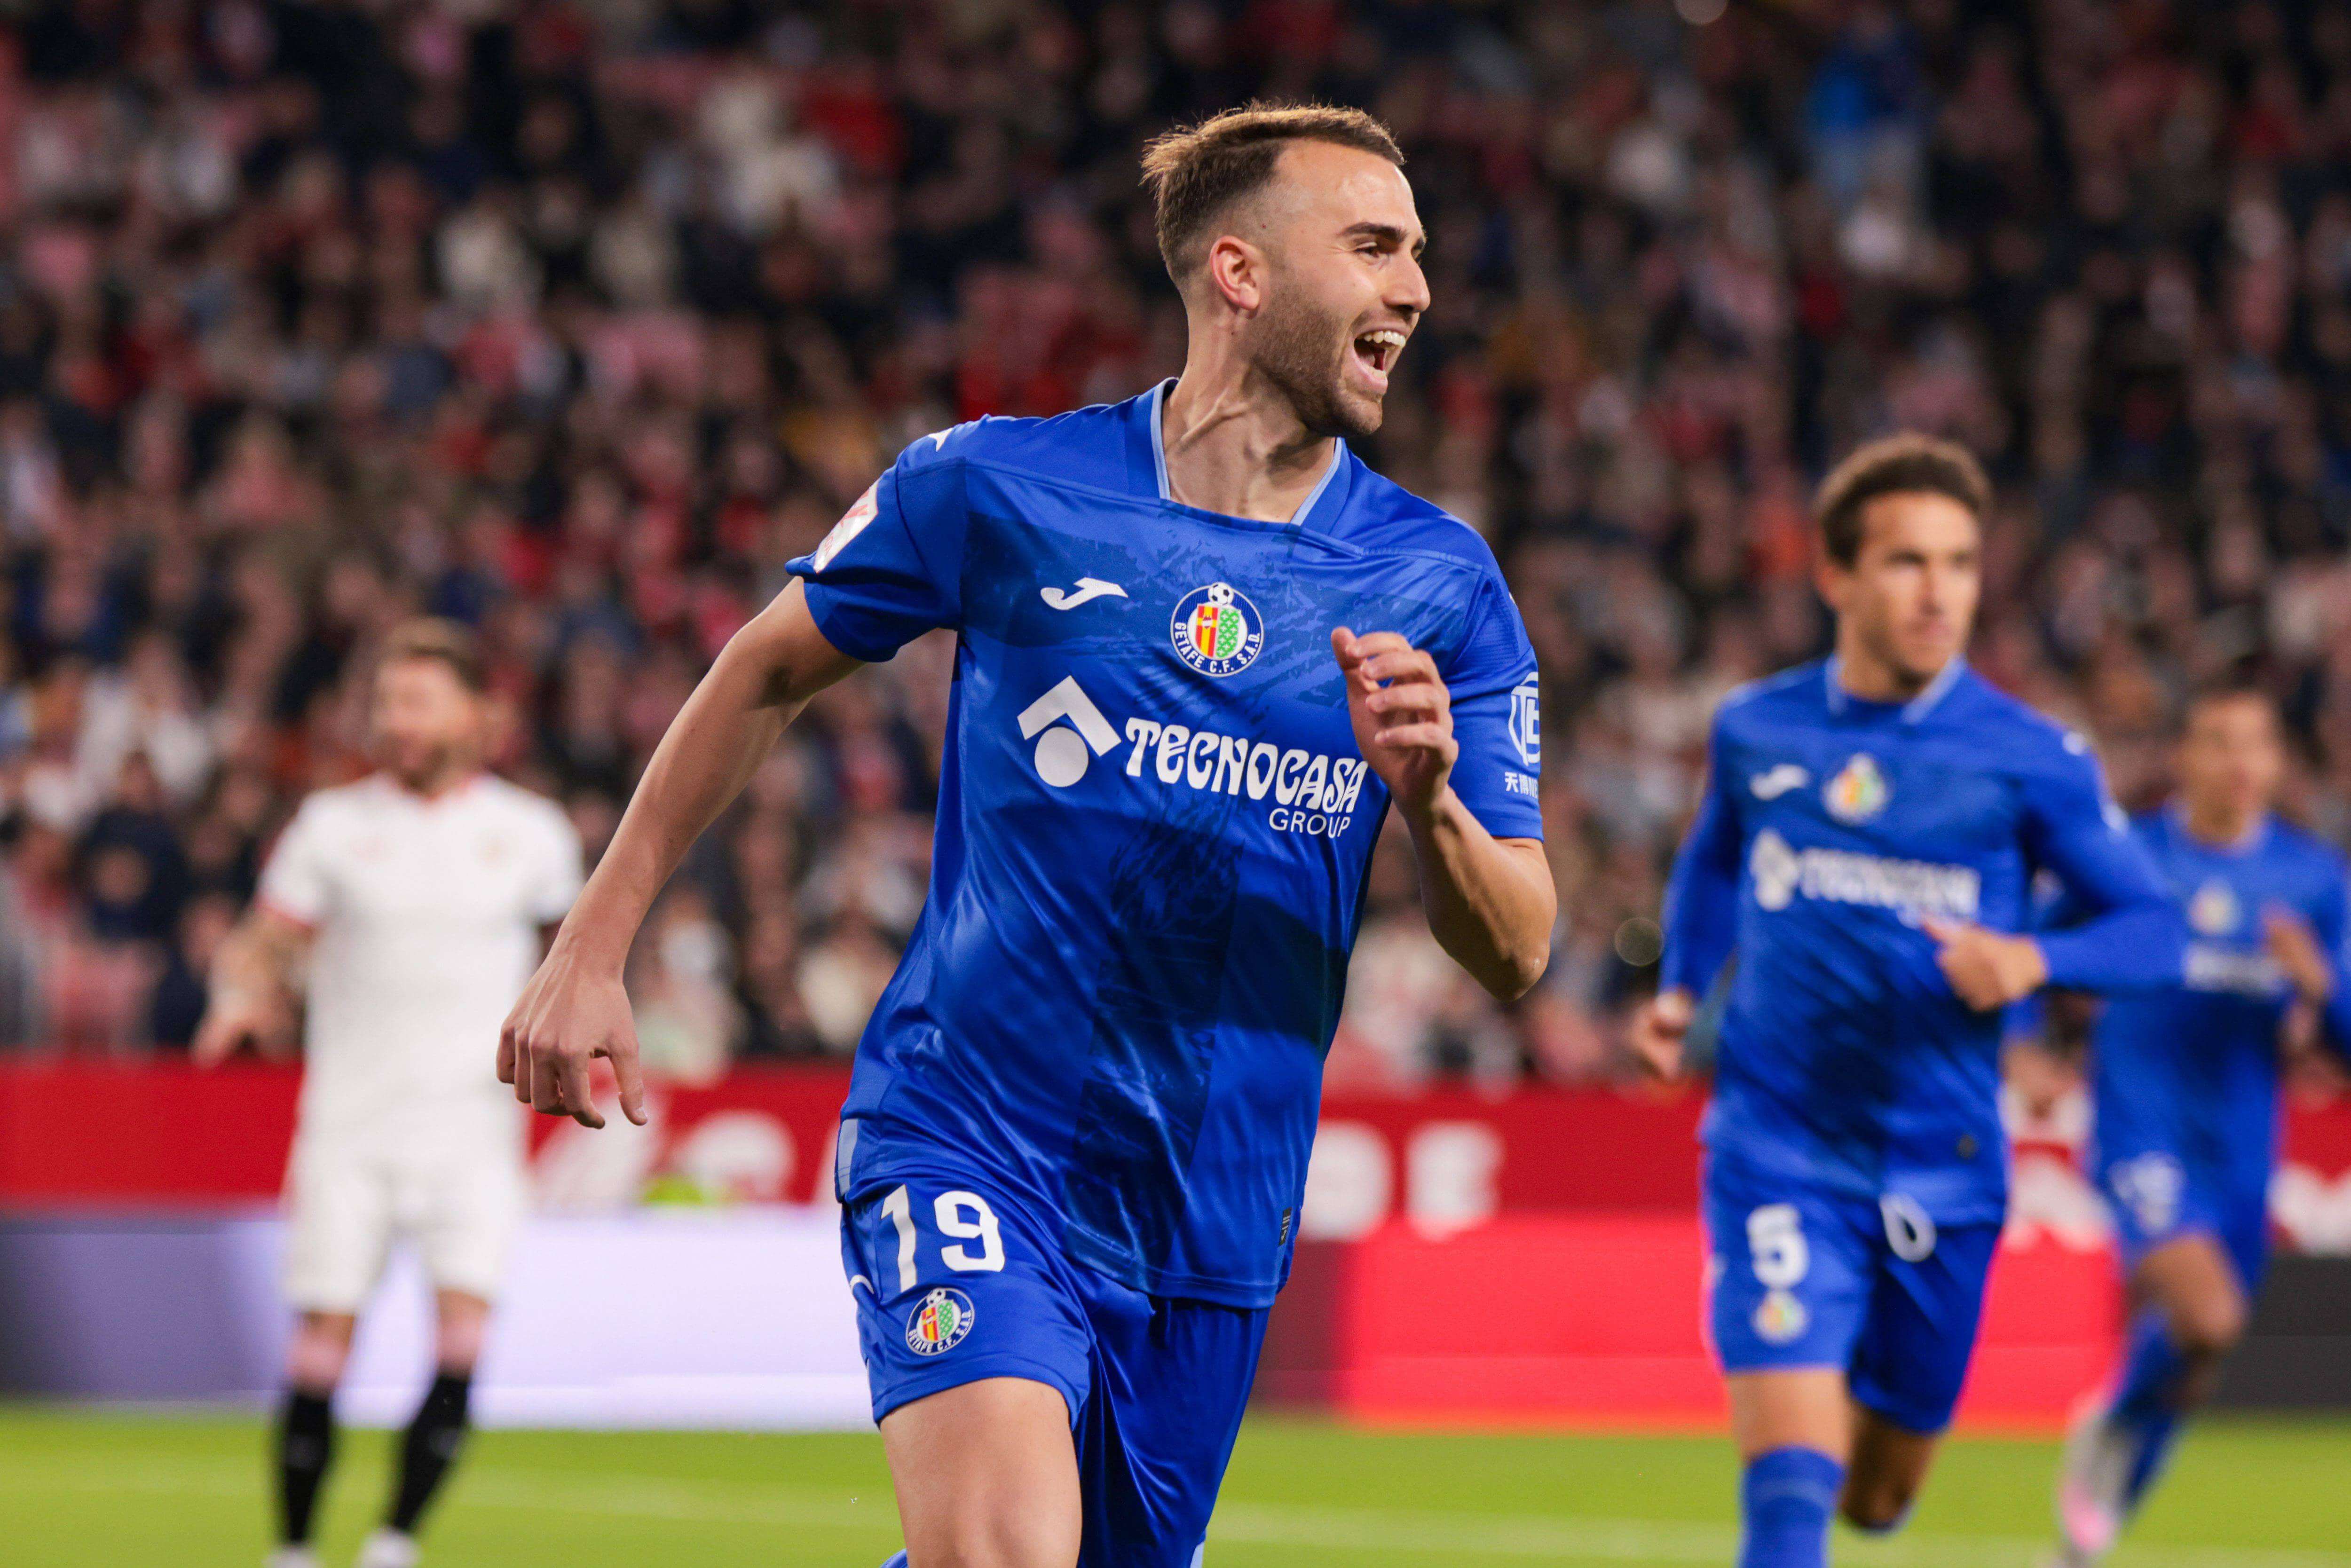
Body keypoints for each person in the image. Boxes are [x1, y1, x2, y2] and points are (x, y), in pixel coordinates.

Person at [497, 101, 1555, 1568]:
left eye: (1420, 254)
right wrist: (593, 941)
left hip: (1214, 1216)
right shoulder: (1001, 486)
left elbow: (1517, 945)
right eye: (1375, 247)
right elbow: (765, 666)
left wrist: (1431, 798)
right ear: (1239, 273)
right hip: (973, 1135)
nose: (1418, 290)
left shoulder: (1442, 583)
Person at [1628, 435, 2183, 1568]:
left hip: (1946, 1168)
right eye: (1906, 563)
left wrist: (2032, 962)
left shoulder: (2030, 759)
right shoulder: (1756, 729)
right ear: (1835, 577)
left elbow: (2156, 930)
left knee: (1878, 1500)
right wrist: (1681, 992)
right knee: (1789, 1494)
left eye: (1959, 563)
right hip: (1777, 1153)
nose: (1939, 592)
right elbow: (1715, 863)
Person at [195, 620, 584, 1568]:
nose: (394, 721)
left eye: (415, 701)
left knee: (461, 1338)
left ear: (473, 715)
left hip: (471, 1132)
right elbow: (266, 942)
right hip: (350, 1127)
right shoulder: (333, 827)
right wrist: (240, 998)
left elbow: (572, 962)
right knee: (321, 1344)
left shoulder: (529, 835)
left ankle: (395, 1542)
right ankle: (292, 1549)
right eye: (384, 703)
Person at [2030, 686, 2351, 1565]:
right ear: (2184, 758)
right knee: (2205, 1318)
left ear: (2279, 763)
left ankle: (2082, 1544)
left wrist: (2322, 985)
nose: (2239, 763)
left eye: (2257, 744)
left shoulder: (2313, 878)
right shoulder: (2129, 857)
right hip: (2143, 1127)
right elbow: (2028, 942)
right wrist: (2024, 1045)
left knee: (2198, 1364)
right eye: (2218, 742)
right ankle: (2108, 1425)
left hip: (2244, 1151)